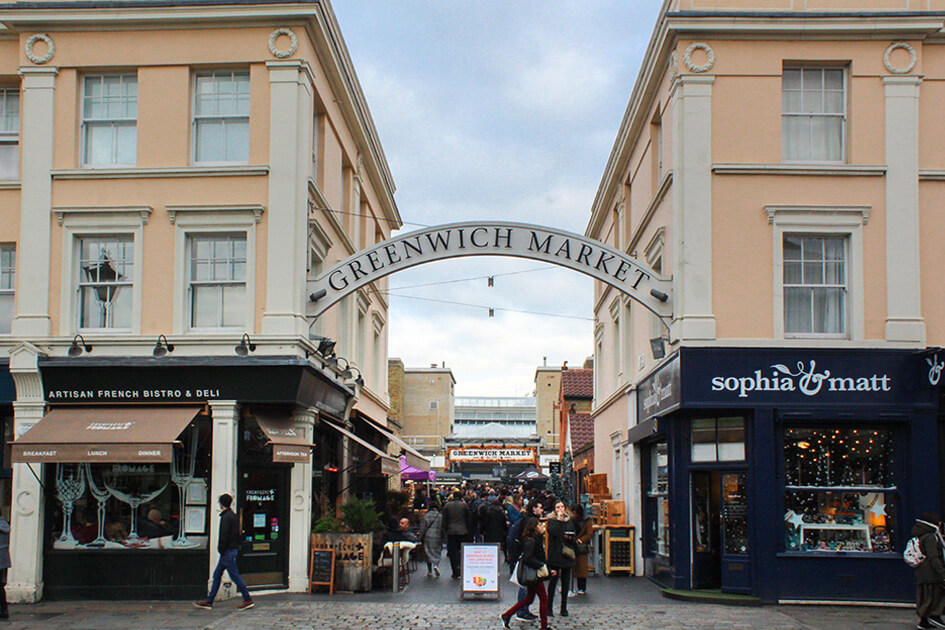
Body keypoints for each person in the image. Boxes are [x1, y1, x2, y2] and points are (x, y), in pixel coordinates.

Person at [193, 494, 253, 611]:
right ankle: (209, 600)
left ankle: (247, 598)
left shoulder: (226, 517)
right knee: (217, 575)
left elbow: (224, 535)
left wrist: (221, 548)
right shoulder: (234, 516)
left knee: (234, 576)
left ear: (221, 503)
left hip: (227, 551)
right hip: (231, 550)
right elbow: (237, 534)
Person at [501, 517, 554, 630]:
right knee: (544, 598)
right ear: (534, 528)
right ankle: (544, 626)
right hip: (533, 573)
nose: (542, 527)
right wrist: (541, 566)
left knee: (529, 598)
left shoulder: (535, 539)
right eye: (540, 525)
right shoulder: (531, 541)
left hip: (533, 573)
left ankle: (507, 615)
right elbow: (528, 558)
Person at [507, 500, 545, 622]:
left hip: (528, 559)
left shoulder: (527, 519)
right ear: (534, 509)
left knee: (529, 594)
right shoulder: (529, 522)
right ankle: (522, 612)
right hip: (528, 561)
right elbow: (526, 541)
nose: (542, 510)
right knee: (526, 587)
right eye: (540, 507)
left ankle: (517, 612)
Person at [913, 512, 945, 629]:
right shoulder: (931, 537)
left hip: (922, 572)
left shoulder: (921, 535)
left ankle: (924, 621)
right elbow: (933, 557)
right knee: (934, 596)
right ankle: (934, 615)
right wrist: (942, 572)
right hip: (931, 573)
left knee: (926, 596)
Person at [545, 501, 576, 617]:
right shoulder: (552, 521)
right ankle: (549, 607)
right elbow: (553, 532)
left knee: (565, 582)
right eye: (558, 507)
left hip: (566, 553)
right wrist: (558, 520)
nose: (560, 509)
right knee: (552, 582)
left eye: (562, 507)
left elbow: (574, 535)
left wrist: (570, 538)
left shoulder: (570, 520)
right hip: (555, 554)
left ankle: (564, 608)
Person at [441, 491, 472, 579]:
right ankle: (461, 568)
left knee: (453, 552)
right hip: (463, 531)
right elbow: (468, 519)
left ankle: (455, 570)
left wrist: (445, 530)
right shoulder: (464, 505)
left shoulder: (447, 505)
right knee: (462, 551)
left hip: (451, 532)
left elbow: (444, 520)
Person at [571, 502, 593, 595]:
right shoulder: (572, 520)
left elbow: (589, 533)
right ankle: (574, 587)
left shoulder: (586, 521)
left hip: (580, 546)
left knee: (581, 568)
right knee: (574, 567)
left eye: (576, 513)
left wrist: (580, 540)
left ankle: (581, 587)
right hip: (574, 544)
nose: (575, 515)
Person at [419, 499, 444, 577]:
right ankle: (436, 565)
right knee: (437, 552)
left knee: (427, 553)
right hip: (437, 536)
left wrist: (420, 537)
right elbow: (443, 527)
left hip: (428, 536)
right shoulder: (440, 516)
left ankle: (429, 571)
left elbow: (422, 528)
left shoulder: (426, 516)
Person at [0, 512, 10, 620]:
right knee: (1, 586)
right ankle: (3, 609)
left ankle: (3, 609)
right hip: (3, 560)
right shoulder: (4, 525)